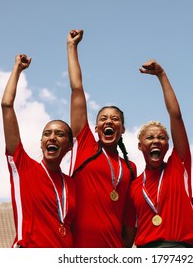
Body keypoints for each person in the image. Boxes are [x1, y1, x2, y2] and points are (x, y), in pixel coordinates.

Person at [66, 29, 137, 248]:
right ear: (96, 128)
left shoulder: (130, 167)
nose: (109, 122)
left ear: (122, 128)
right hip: (77, 249)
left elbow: (129, 221)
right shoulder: (84, 143)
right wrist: (72, 47)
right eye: (103, 119)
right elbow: (77, 89)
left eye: (115, 119)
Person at [1, 54, 76, 248]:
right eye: (47, 133)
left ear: (69, 146)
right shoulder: (23, 166)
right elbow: (6, 105)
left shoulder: (71, 184)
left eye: (59, 134)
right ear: (41, 142)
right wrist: (17, 69)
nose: (52, 137)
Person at [127, 59, 193, 248]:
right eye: (149, 138)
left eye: (161, 138)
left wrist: (161, 75)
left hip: (180, 251)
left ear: (168, 145)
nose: (156, 141)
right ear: (140, 146)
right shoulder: (134, 186)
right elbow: (129, 232)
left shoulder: (178, 165)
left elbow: (176, 116)